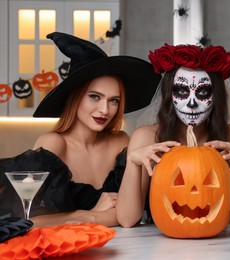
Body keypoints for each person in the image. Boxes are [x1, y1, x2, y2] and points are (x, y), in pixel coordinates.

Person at [0, 32, 161, 227]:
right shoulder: (54, 143)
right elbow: (27, 220)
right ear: (75, 98)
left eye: (114, 101)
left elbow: (130, 216)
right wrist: (87, 215)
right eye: (95, 97)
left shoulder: (122, 142)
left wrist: (89, 218)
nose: (105, 110)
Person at [116, 44, 230, 228]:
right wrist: (133, 162)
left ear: (216, 96)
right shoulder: (146, 136)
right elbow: (127, 220)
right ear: (168, 95)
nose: (191, 103)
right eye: (181, 91)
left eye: (202, 92)